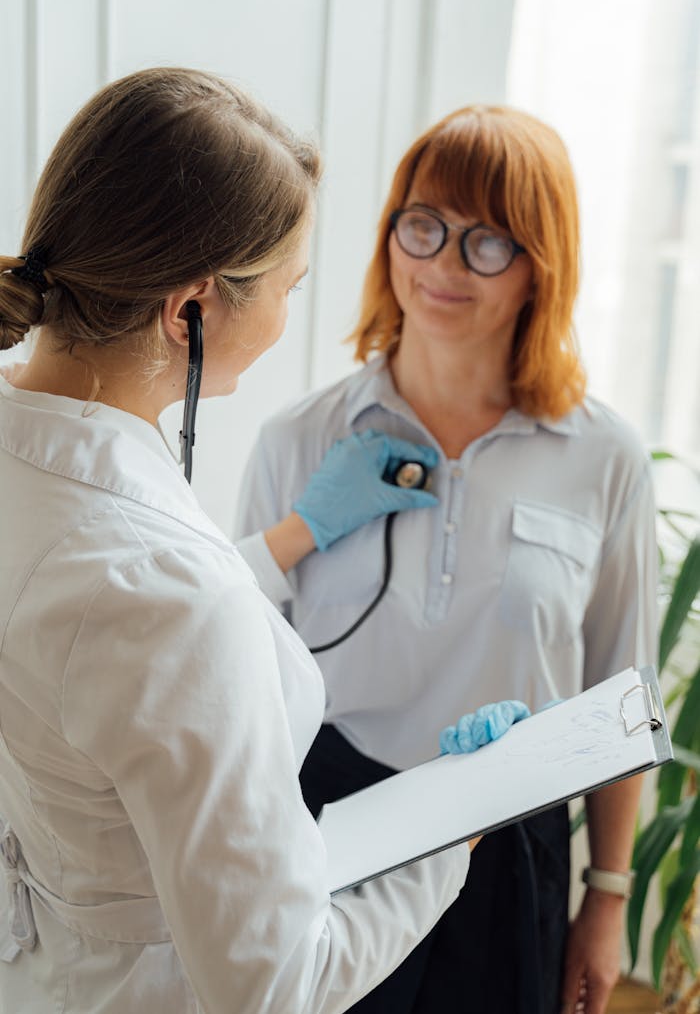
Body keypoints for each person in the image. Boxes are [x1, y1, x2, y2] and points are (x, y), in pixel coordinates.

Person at [0, 68, 529, 1014]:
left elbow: (100, 642)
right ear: (192, 311)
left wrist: (285, 541)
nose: (291, 316)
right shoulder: (166, 589)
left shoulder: (34, 471)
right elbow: (277, 984)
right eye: (289, 287)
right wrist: (459, 826)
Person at [235, 105, 658, 1014]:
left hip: (508, 844)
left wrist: (607, 900)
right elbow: (232, 673)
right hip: (334, 832)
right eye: (422, 226)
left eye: (487, 242)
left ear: (540, 265)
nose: (441, 265)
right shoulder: (300, 440)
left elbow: (619, 696)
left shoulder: (606, 458)